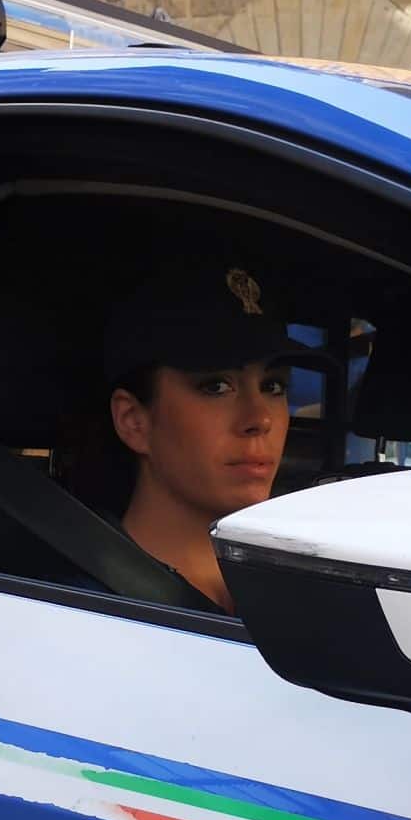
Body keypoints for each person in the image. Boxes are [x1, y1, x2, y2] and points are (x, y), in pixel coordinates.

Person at [101, 256, 302, 611]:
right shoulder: (76, 608)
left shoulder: (296, 597)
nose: (260, 419)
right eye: (216, 387)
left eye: (273, 386)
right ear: (134, 421)